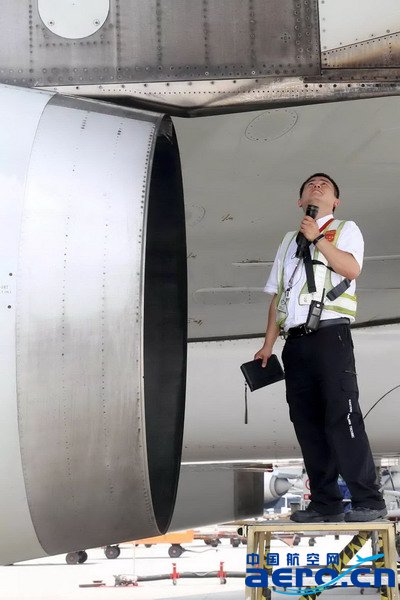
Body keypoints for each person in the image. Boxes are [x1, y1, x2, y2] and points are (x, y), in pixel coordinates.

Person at [255, 173, 386, 523]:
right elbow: (278, 296)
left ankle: (369, 499)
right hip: (295, 342)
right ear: (300, 201)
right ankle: (325, 502)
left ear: (335, 202)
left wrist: (318, 239)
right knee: (307, 423)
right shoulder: (287, 242)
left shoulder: (345, 229)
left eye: (324, 185)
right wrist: (268, 344)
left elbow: (351, 269)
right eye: (310, 185)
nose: (317, 186)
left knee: (342, 416)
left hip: (330, 335)